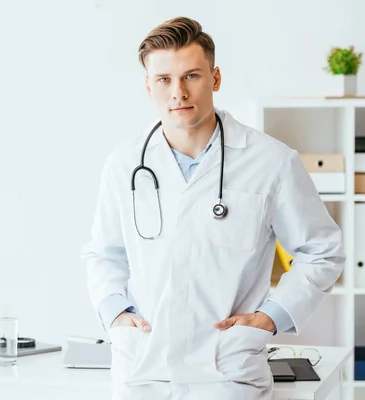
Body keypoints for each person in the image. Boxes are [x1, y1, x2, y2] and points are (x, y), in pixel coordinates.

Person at [80, 16, 345, 400]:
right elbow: (103, 253)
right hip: (142, 369)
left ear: (215, 78)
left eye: (192, 76)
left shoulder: (270, 161)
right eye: (164, 80)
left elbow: (321, 250)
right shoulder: (124, 164)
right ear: (148, 86)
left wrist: (272, 317)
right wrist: (116, 314)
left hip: (229, 372)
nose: (178, 93)